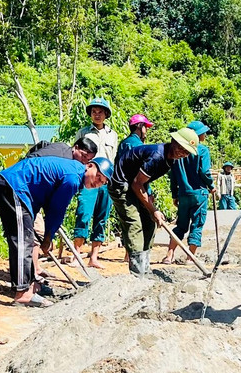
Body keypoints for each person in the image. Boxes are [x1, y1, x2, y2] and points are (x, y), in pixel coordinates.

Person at [0, 155, 110, 307]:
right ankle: (22, 293)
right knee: (23, 241)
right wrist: (47, 239)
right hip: (13, 186)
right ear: (89, 166)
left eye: (102, 182)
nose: (97, 182)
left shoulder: (74, 173)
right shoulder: (72, 178)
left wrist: (48, 236)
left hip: (18, 189)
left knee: (26, 238)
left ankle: (30, 285)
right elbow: (56, 210)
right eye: (98, 176)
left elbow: (49, 202)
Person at [110, 126, 198, 276]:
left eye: (186, 152)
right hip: (121, 186)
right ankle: (138, 272)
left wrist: (150, 203)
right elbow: (136, 183)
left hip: (135, 185)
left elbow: (143, 181)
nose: (183, 153)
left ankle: (144, 267)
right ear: (174, 141)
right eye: (181, 148)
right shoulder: (157, 155)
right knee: (134, 224)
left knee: (150, 223)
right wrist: (154, 209)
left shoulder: (171, 160)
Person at [72, 98, 121, 269]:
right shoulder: (83, 133)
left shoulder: (113, 135)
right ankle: (76, 255)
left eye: (100, 111)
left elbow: (114, 159)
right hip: (88, 180)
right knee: (84, 213)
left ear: (106, 114)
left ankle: (94, 257)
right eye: (94, 111)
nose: (97, 114)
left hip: (106, 182)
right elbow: (76, 156)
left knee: (101, 218)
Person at [164, 121, 212, 265]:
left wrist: (174, 194)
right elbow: (204, 171)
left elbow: (173, 175)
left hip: (183, 193)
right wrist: (211, 185)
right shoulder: (202, 150)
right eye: (203, 132)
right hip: (199, 193)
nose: (205, 134)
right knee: (197, 225)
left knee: (180, 225)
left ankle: (169, 255)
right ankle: (190, 257)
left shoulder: (177, 151)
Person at [26, 137, 97, 163]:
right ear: (76, 148)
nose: (84, 162)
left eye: (88, 160)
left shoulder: (62, 146)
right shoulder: (64, 159)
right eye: (84, 156)